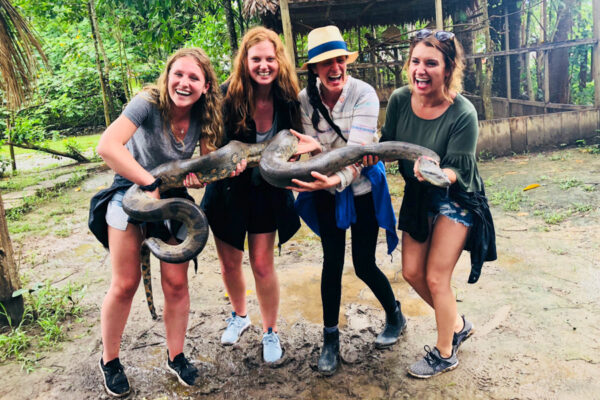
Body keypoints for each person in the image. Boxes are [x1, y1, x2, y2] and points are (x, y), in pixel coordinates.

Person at [89, 47, 235, 396]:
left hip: (172, 200)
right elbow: (107, 146)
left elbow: (202, 165)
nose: (184, 83)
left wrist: (202, 177)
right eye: (179, 74)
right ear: (168, 76)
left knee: (176, 284)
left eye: (194, 78)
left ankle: (176, 355)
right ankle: (109, 361)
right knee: (125, 283)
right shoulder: (146, 102)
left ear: (206, 86)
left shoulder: (205, 115)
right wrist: (148, 181)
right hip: (130, 192)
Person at [288, 25, 406, 376]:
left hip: (363, 188)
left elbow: (357, 153)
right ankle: (330, 339)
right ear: (314, 68)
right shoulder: (303, 101)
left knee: (364, 263)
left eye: (340, 59)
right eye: (326, 62)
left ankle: (395, 315)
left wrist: (330, 167)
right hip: (324, 190)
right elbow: (307, 154)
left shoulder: (364, 94)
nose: (335, 67)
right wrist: (318, 165)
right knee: (332, 262)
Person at [379, 29, 496, 378]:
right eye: (416, 61)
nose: (422, 70)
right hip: (419, 196)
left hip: (455, 198)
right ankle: (457, 325)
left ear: (448, 69)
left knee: (435, 276)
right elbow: (388, 144)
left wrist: (433, 172)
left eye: (432, 63)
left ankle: (445, 352)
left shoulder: (463, 112)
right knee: (412, 272)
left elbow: (456, 171)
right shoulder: (400, 100)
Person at [200, 27, 301, 363]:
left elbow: (295, 143)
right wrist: (225, 161)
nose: (263, 65)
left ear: (279, 61)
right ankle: (240, 315)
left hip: (267, 191)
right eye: (256, 58)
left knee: (261, 263)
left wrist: (295, 154)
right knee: (230, 263)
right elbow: (211, 143)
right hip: (228, 190)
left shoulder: (288, 97)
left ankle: (270, 331)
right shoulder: (226, 96)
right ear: (245, 61)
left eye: (270, 59)